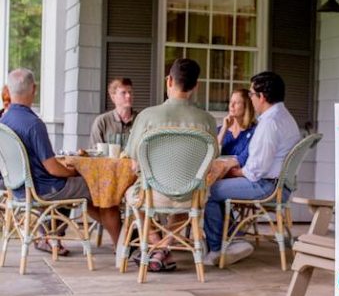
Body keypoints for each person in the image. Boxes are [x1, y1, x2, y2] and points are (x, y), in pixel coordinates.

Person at [0, 68, 122, 254]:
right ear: (34, 89)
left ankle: (51, 237)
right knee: (97, 185)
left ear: (9, 89)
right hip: (44, 190)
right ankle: (122, 245)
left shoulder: (4, 121)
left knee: (85, 191)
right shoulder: (34, 124)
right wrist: (74, 171)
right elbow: (53, 169)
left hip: (17, 190)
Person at [124, 58, 216, 272]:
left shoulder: (148, 116)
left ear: (169, 81)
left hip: (153, 193)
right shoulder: (207, 120)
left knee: (131, 196)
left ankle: (157, 247)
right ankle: (164, 248)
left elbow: (133, 161)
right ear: (196, 86)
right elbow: (210, 163)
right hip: (192, 194)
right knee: (186, 195)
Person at [203, 71, 301, 266]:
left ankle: (216, 249)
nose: (251, 98)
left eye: (252, 94)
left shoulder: (269, 123)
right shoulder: (285, 117)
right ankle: (233, 237)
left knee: (208, 191)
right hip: (280, 185)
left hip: (266, 185)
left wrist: (234, 173)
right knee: (220, 188)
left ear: (262, 97)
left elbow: (256, 170)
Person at [90, 78, 137, 147]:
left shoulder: (141, 120)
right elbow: (95, 151)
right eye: (123, 93)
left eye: (130, 92)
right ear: (113, 97)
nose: (128, 96)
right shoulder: (102, 121)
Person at [217, 88, 256, 167]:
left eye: (237, 103)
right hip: (220, 174)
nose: (231, 105)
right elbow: (212, 155)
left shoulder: (254, 131)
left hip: (241, 176)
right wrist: (224, 129)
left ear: (246, 106)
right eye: (231, 102)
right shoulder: (220, 129)